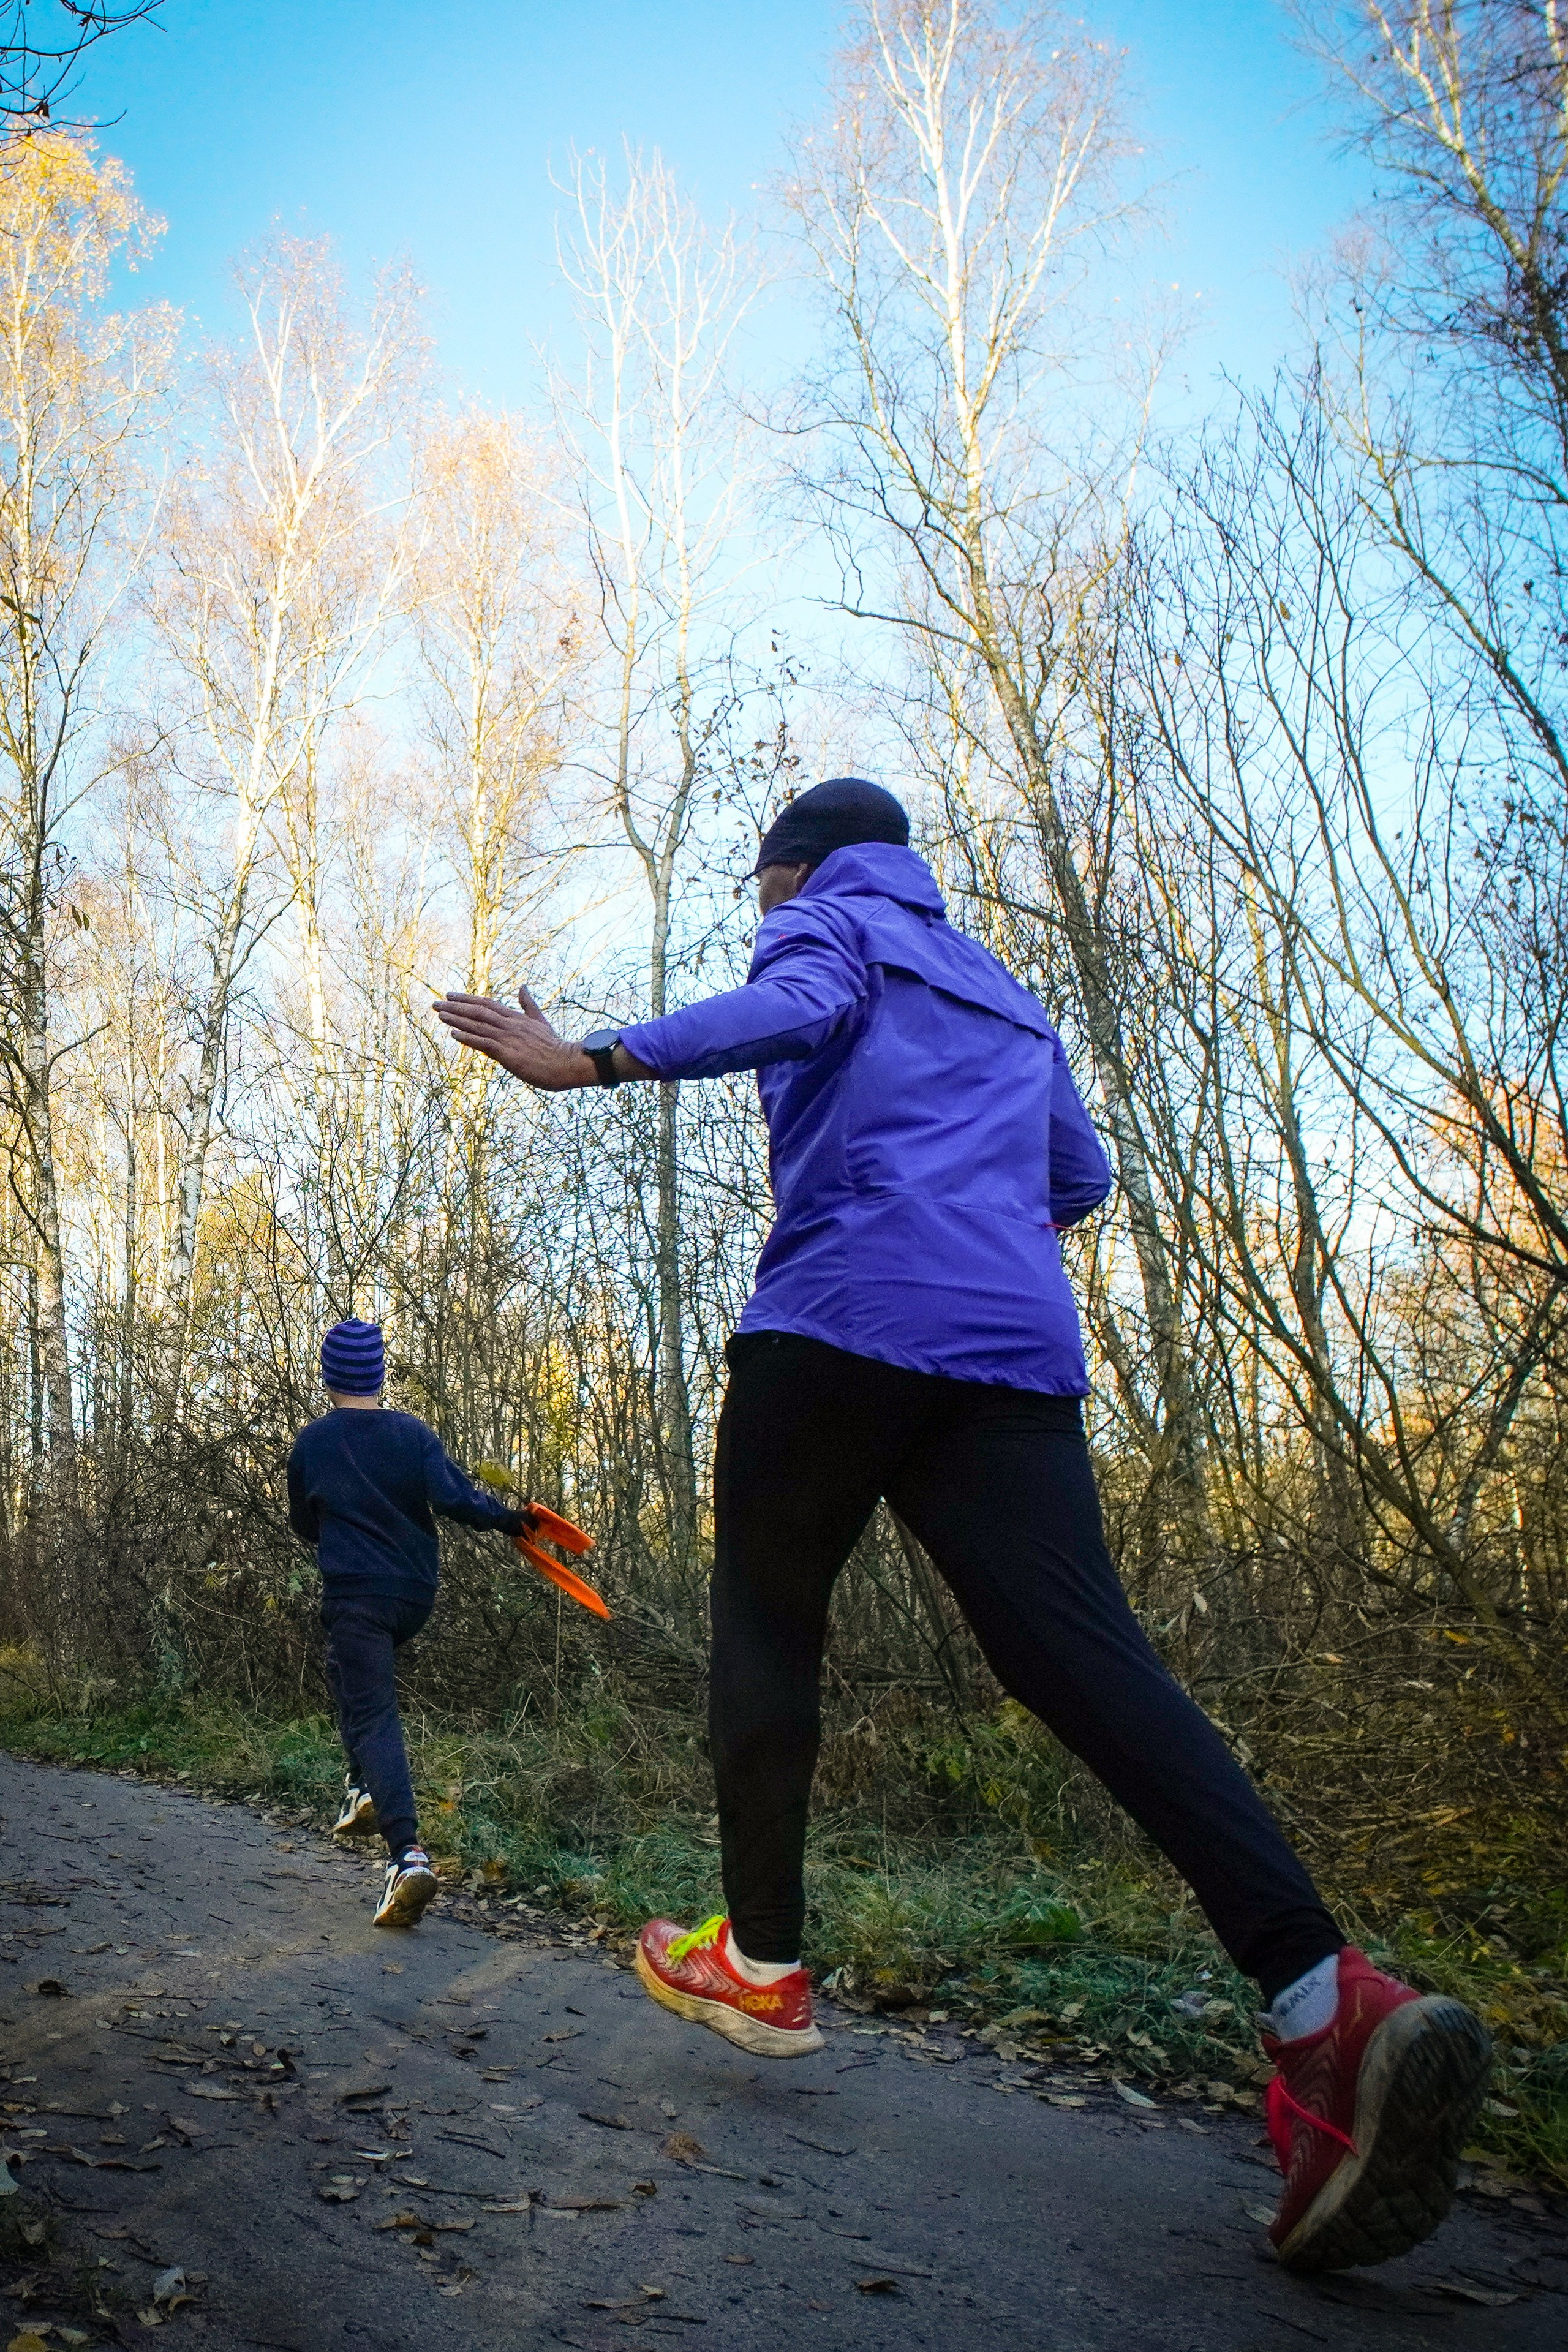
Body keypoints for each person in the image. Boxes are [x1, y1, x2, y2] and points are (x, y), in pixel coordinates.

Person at [434, 777, 1491, 2275]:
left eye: (762, 897)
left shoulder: (828, 930)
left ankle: (766, 1959)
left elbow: (781, 1011)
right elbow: (1080, 1173)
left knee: (767, 1618)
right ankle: (1324, 2001)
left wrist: (588, 1056)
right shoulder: (1000, 986)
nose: (766, 924)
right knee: (1083, 1657)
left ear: (793, 870)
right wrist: (967, 1210)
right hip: (1006, 1350)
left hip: (841, 1318)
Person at [286, 1317, 533, 1929]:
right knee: (342, 1669)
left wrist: (341, 1527)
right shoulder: (411, 1434)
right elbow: (457, 1499)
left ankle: (407, 1854)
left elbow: (302, 1523)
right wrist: (512, 1521)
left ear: (327, 1377)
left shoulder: (312, 1443)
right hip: (413, 1595)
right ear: (378, 1374)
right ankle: (361, 1787)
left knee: (372, 1712)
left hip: (357, 1595)